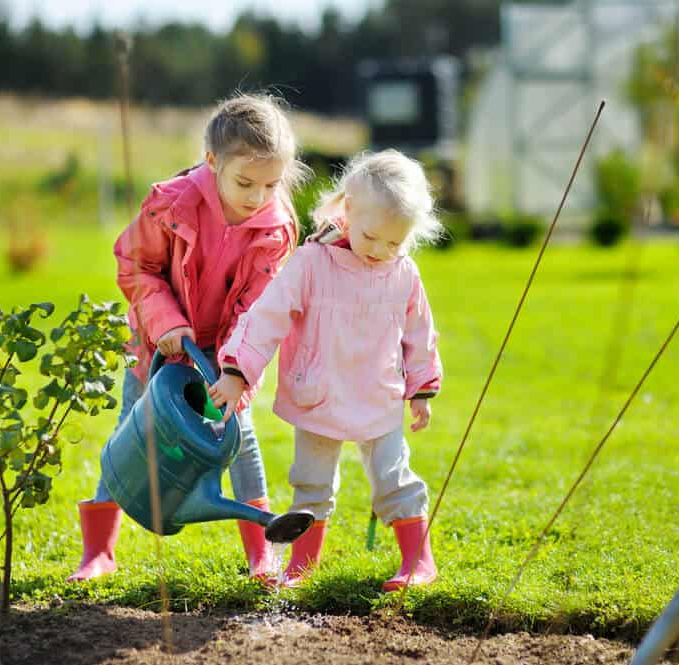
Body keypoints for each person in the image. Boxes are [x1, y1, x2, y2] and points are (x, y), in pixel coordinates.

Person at [69, 93, 308, 582]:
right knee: (130, 431)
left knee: (240, 442)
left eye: (271, 184)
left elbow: (259, 311)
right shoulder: (171, 203)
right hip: (159, 347)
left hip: (225, 353)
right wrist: (166, 324)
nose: (257, 197)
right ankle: (99, 552)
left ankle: (263, 553)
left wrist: (236, 371)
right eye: (245, 182)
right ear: (212, 161)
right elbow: (136, 264)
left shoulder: (276, 230)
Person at [211, 149, 443, 591]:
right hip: (319, 391)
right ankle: (302, 568)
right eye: (372, 236)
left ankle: (418, 563)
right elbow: (267, 317)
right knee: (312, 482)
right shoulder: (311, 264)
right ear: (349, 210)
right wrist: (238, 371)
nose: (379, 251)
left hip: (379, 394)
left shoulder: (404, 273)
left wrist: (421, 388)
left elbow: (420, 333)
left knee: (394, 479)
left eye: (394, 243)